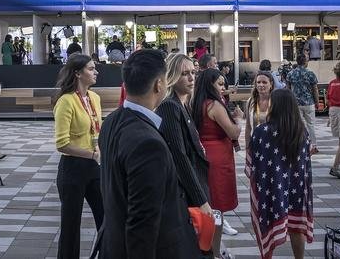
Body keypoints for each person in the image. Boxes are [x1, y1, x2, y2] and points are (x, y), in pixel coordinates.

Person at [98, 49, 200, 258]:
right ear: (158, 85)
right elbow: (141, 224)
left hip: (113, 243)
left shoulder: (111, 121)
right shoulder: (148, 144)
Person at [246, 88, 314, 259]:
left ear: (274, 106)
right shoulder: (302, 132)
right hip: (296, 188)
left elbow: (253, 162)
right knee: (296, 225)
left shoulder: (262, 132)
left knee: (267, 223)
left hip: (270, 188)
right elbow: (306, 163)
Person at [155, 54, 212, 253]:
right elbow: (179, 157)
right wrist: (201, 199)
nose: (191, 78)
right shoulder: (170, 106)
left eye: (193, 73)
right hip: (184, 194)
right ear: (172, 76)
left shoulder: (183, 104)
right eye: (184, 74)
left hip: (196, 183)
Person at [53, 54, 104, 258]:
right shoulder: (66, 101)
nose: (96, 72)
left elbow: (96, 131)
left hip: (93, 168)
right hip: (73, 169)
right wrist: (91, 154)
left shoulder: (95, 98)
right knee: (71, 225)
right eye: (91, 69)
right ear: (77, 73)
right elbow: (62, 144)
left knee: (107, 217)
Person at [192, 68, 243, 236]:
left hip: (204, 153)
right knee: (217, 202)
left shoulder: (196, 102)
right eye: (220, 84)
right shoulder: (214, 105)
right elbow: (233, 133)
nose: (223, 88)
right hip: (218, 157)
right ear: (209, 85)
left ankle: (211, 241)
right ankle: (215, 245)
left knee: (209, 199)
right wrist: (238, 120)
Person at [286, 54, 319, 153]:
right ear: (305, 62)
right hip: (309, 102)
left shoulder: (290, 74)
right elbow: (315, 89)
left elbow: (287, 89)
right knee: (311, 124)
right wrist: (317, 102)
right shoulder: (310, 73)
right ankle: (313, 145)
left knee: (297, 125)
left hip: (295, 103)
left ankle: (299, 144)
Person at [245, 71, 273, 149]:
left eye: (264, 82)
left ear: (271, 84)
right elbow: (248, 126)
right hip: (256, 143)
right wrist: (247, 146)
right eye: (258, 82)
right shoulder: (250, 102)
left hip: (273, 144)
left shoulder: (276, 101)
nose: (261, 85)